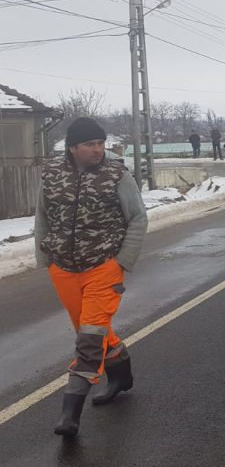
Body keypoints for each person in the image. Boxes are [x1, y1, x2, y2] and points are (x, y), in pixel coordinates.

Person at [35, 117, 148, 437]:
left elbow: (138, 218)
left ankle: (70, 414)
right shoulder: (52, 173)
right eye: (90, 144)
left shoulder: (117, 174)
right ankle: (121, 373)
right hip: (64, 268)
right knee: (91, 330)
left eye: (101, 144)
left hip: (103, 267)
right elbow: (42, 216)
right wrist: (45, 257)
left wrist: (122, 262)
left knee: (88, 339)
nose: (98, 150)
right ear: (73, 147)